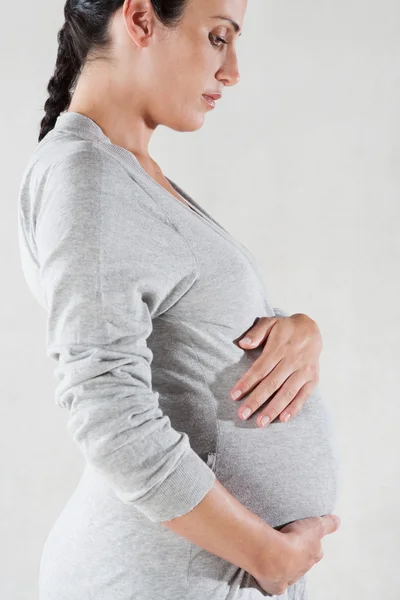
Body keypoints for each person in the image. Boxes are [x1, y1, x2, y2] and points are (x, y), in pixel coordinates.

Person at [17, 1, 342, 598]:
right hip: (156, 579)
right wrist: (266, 554)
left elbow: (195, 327)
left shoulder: (127, 172)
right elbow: (108, 413)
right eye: (219, 37)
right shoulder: (85, 177)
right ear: (140, 19)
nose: (233, 70)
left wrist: (298, 329)